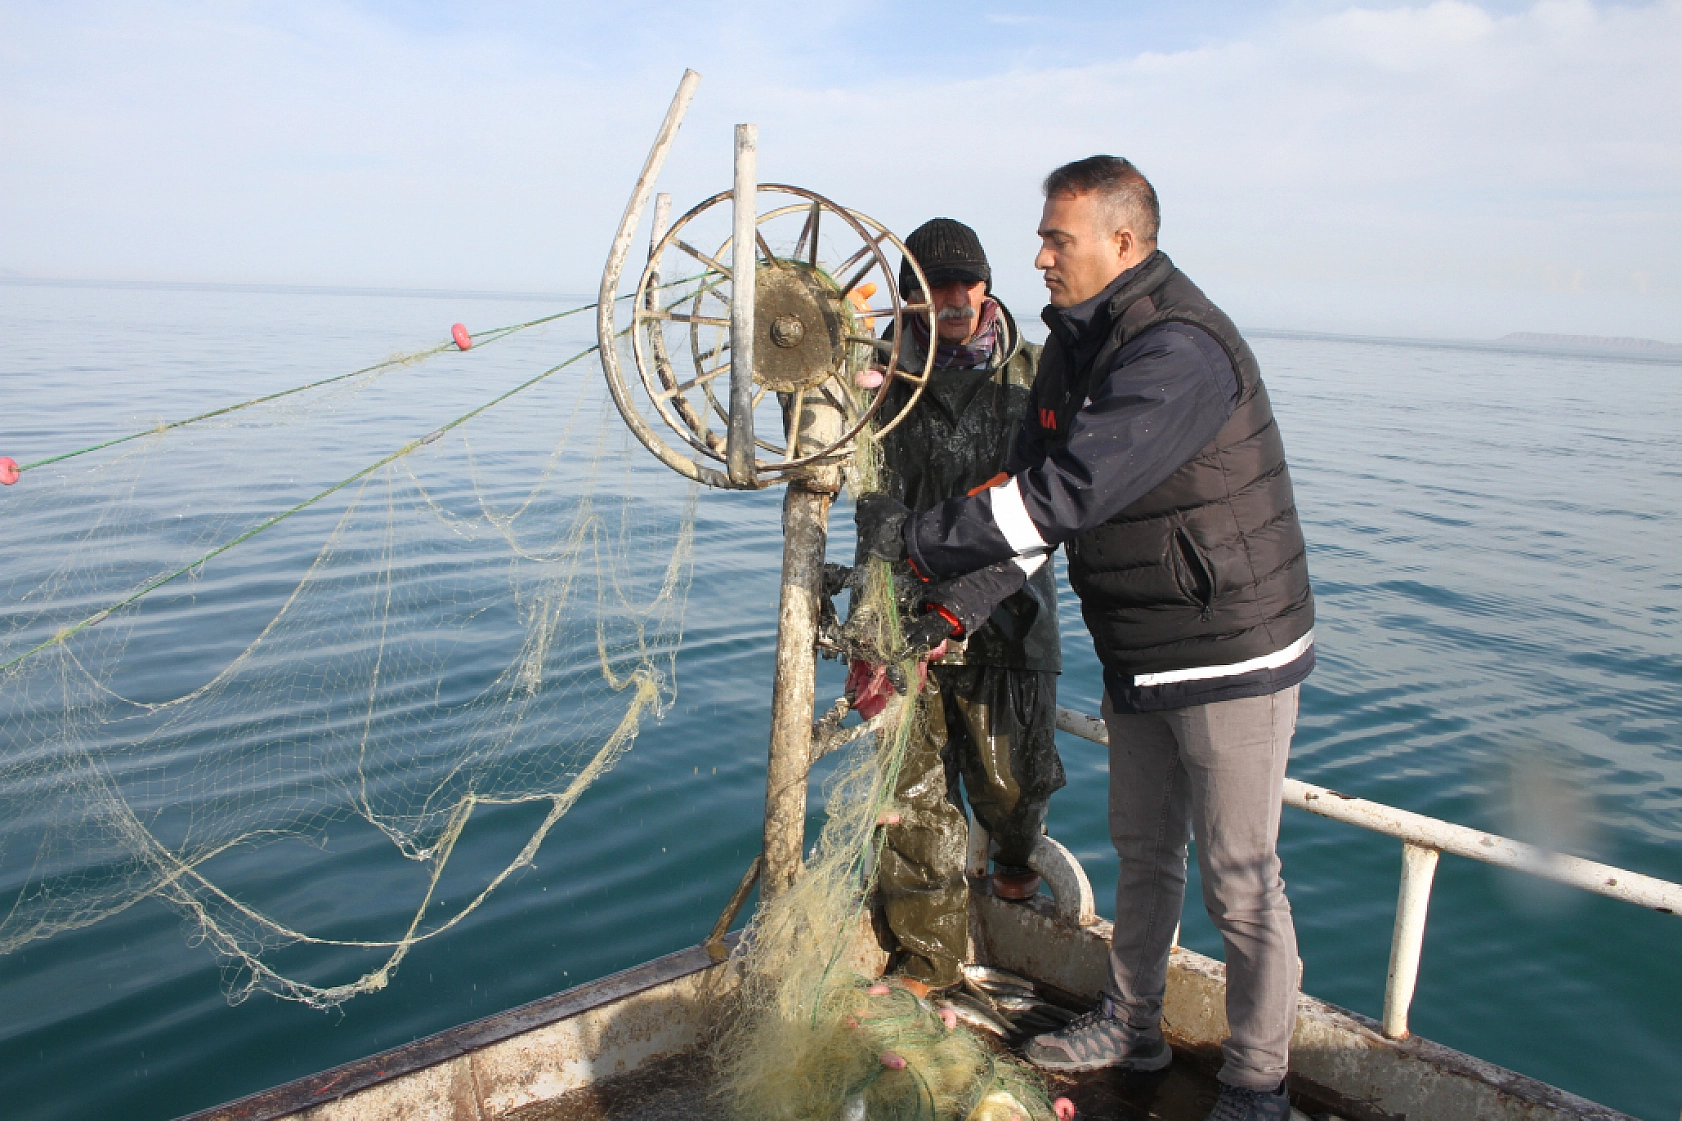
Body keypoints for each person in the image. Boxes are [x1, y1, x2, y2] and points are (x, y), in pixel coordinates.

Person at [855, 159, 1314, 1121]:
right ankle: (1133, 1024)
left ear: (1123, 242)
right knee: (1144, 851)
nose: (1038, 256)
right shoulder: (1071, 347)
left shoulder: (1177, 351)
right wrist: (952, 611)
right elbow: (1033, 515)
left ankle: (1257, 1080)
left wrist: (917, 539)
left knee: (1240, 879)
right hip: (1139, 647)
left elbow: (1062, 496)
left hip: (1231, 647)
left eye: (1055, 239)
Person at [854, 218, 1065, 999]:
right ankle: (927, 956)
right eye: (930, 290)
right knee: (910, 801)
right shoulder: (873, 378)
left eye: (963, 285)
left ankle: (1014, 861)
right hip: (901, 612)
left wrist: (965, 602)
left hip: (1011, 613)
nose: (951, 301)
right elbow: (822, 449)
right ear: (907, 300)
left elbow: (1059, 506)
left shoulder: (1035, 373)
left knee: (1014, 787)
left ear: (985, 285)